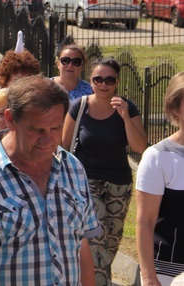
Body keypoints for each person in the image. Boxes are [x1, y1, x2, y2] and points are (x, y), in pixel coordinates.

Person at [0, 76, 99, 285]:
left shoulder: (73, 169)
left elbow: (82, 248)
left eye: (55, 128)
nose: (47, 139)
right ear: (11, 119)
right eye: (36, 129)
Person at [62, 57, 148, 285]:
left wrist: (126, 118)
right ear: (90, 81)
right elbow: (63, 146)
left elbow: (140, 147)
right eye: (98, 79)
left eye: (109, 80)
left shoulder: (127, 108)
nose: (103, 84)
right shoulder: (79, 106)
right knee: (97, 241)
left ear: (117, 82)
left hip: (119, 184)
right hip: (86, 183)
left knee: (110, 244)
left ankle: (87, 278)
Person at [136, 72, 184, 286]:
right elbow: (145, 222)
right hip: (167, 273)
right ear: (175, 108)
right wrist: (148, 277)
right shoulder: (158, 157)